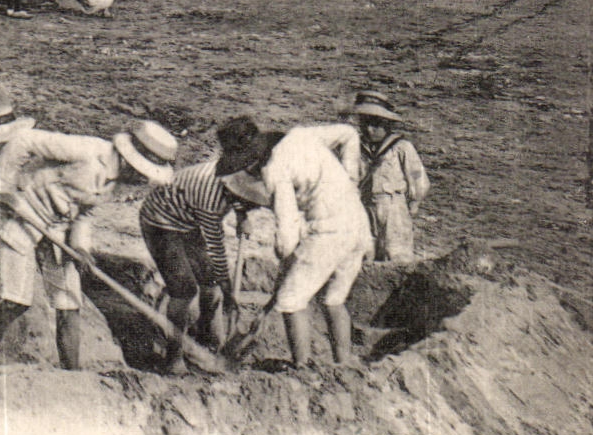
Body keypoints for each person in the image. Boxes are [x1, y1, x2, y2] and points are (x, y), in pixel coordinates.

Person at [0, 112, 178, 368]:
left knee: (69, 305)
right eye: (139, 172)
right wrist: (3, 186)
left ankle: (74, 374)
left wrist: (81, 247)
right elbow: (24, 140)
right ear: (128, 160)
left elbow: (84, 213)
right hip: (25, 213)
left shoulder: (114, 184)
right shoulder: (88, 150)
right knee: (16, 301)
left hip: (59, 230)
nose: (140, 179)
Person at [215, 116, 372, 368]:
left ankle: (301, 367)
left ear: (253, 159)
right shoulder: (301, 136)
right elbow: (348, 134)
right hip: (359, 223)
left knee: (289, 300)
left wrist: (287, 259)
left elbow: (287, 227)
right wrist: (350, 178)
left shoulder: (275, 169)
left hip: (329, 231)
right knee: (333, 298)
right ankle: (344, 365)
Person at [138, 157, 245, 373]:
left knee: (210, 282)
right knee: (184, 290)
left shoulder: (239, 171)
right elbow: (216, 250)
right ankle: (174, 358)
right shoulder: (210, 199)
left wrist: (243, 215)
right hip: (160, 220)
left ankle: (210, 344)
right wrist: (229, 293)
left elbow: (244, 195)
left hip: (187, 215)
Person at [344, 91, 429, 262]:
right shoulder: (355, 149)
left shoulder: (401, 147)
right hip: (364, 207)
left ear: (386, 125)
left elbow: (419, 180)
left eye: (375, 124)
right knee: (364, 255)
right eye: (365, 124)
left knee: (396, 253)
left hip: (393, 206)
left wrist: (414, 203)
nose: (369, 129)